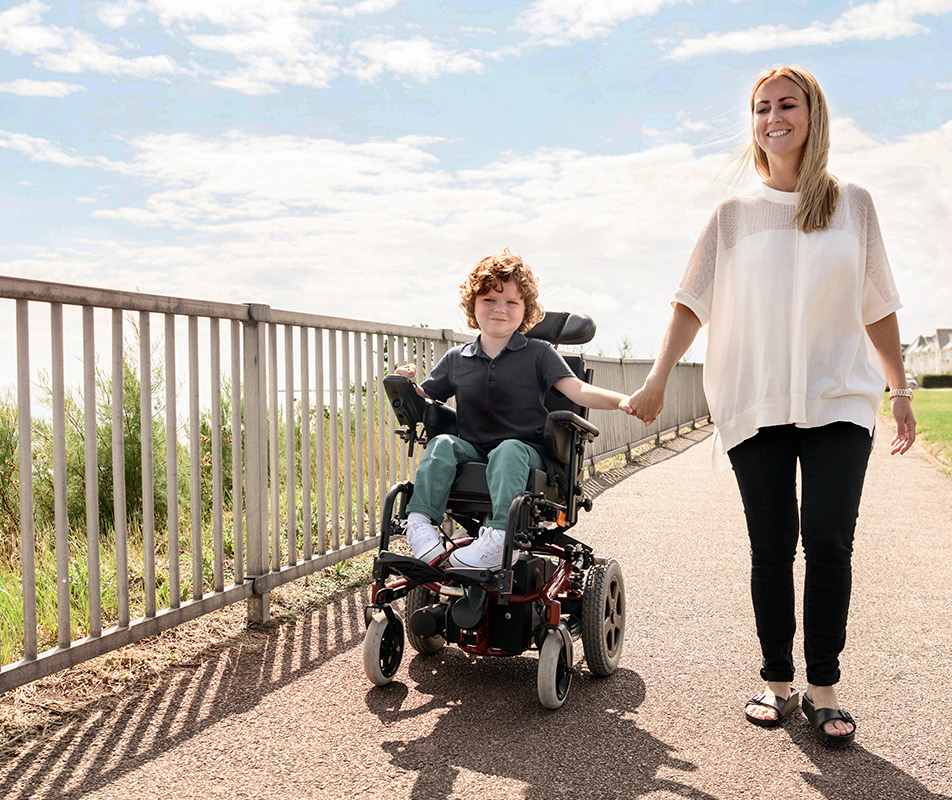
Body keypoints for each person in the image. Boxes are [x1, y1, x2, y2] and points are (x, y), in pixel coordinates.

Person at [620, 65, 915, 746]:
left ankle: (825, 688)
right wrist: (659, 379)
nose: (773, 117)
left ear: (813, 115)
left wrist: (900, 389)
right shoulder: (733, 217)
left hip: (838, 398)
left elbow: (880, 307)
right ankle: (778, 682)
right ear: (753, 123)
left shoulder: (853, 205)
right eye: (761, 108)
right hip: (755, 402)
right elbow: (690, 303)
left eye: (787, 105)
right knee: (772, 546)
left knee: (832, 542)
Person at [391, 251, 631, 570]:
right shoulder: (457, 358)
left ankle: (499, 538)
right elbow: (424, 399)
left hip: (526, 453)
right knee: (441, 444)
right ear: (473, 305)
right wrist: (408, 384)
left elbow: (577, 390)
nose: (500, 309)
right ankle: (420, 525)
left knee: (508, 451)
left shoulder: (538, 353)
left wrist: (623, 401)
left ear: (525, 311)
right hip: (474, 451)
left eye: (512, 303)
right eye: (490, 299)